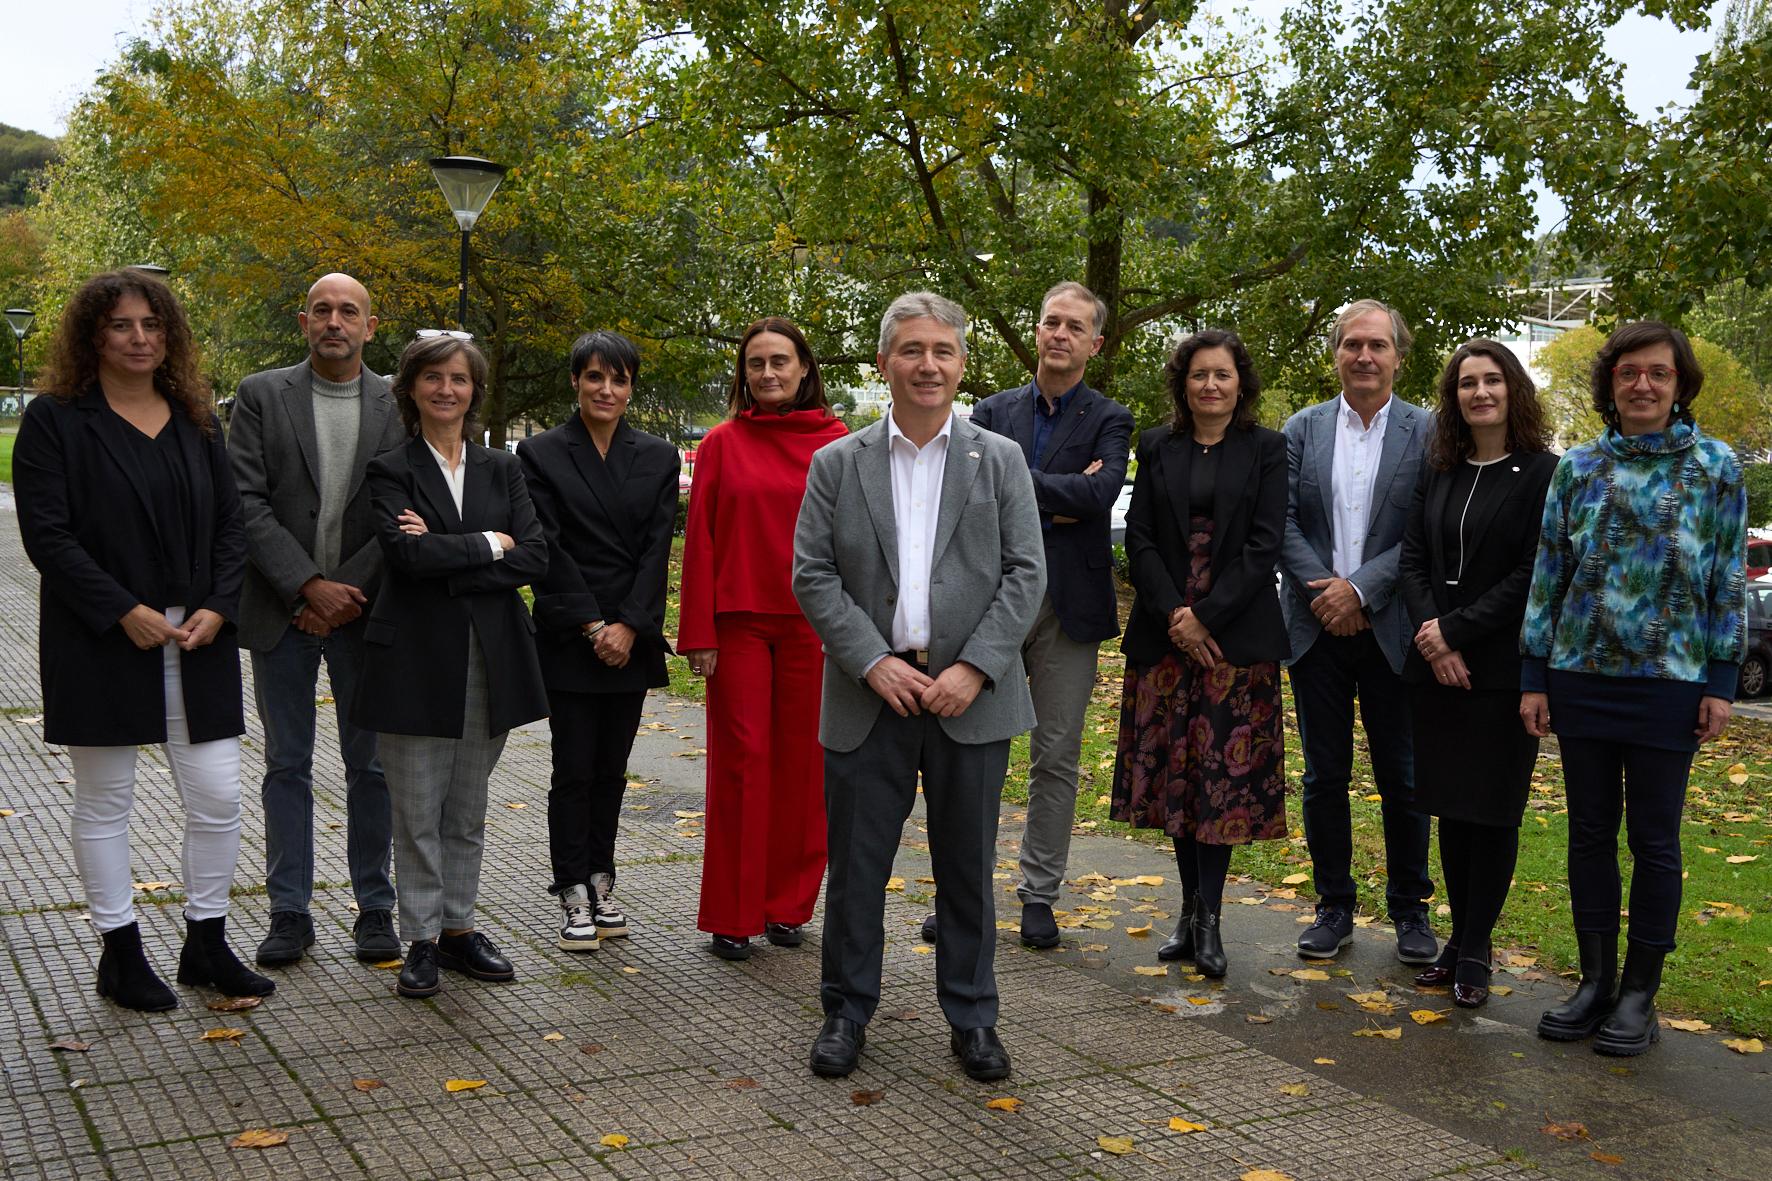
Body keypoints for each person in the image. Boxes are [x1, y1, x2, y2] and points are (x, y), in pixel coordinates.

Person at [792, 292, 1045, 1082]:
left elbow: (1026, 572)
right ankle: (845, 1010)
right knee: (858, 866)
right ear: (883, 363)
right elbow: (813, 573)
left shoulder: (998, 458)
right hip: (872, 694)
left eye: (942, 349)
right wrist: (872, 659)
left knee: (967, 866)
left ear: (962, 362)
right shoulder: (838, 462)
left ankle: (972, 1017)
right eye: (911, 349)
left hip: (973, 698)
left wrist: (974, 666)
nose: (927, 363)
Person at [14, 269, 272, 1010]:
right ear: (93, 333)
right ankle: (120, 951)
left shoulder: (195, 416)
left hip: (198, 637)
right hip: (101, 636)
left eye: (152, 325)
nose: (138, 338)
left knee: (220, 794)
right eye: (122, 324)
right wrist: (122, 607)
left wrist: (221, 606)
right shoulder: (57, 420)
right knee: (106, 800)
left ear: (170, 337)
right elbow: (48, 536)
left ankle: (206, 941)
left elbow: (231, 523)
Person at [1522, 321, 1743, 1056]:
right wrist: (1534, 675)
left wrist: (1720, 680)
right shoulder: (1578, 469)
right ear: (1609, 385)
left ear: (1680, 385)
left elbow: (1726, 581)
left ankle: (1641, 994)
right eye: (1628, 374)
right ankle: (1595, 981)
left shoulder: (1716, 468)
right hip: (1580, 678)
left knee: (1653, 840)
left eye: (1658, 373)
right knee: (1588, 835)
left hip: (1669, 684)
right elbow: (1549, 575)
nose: (1642, 385)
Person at [352, 334, 550, 999]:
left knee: (466, 806)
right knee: (415, 807)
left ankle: (460, 928)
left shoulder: (503, 468)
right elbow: (405, 561)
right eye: (432, 377)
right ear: (411, 388)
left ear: (474, 390)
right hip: (411, 658)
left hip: (489, 658)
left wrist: (449, 551)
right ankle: (422, 938)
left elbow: (535, 557)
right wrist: (489, 545)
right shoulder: (391, 469)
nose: (445, 389)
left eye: (458, 378)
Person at [228, 272, 406, 968]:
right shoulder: (261, 395)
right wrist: (306, 586)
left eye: (349, 311)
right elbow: (243, 502)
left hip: (365, 613)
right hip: (280, 611)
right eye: (323, 310)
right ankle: (289, 912)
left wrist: (341, 592)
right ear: (303, 321)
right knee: (286, 764)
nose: (335, 321)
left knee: (372, 766)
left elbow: (402, 506)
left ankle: (376, 908)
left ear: (369, 325)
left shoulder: (398, 401)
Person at [953, 282, 1132, 950]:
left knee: (1055, 754)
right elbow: (974, 497)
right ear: (1036, 331)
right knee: (974, 753)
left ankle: (1038, 893)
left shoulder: (1112, 418)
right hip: (991, 600)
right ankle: (961, 892)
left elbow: (1102, 493)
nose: (1060, 333)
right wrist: (1062, 495)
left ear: (1095, 342)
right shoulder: (991, 411)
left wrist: (1020, 481)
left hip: (1070, 608)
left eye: (1074, 326)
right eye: (1050, 322)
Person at [1111, 329, 1287, 979]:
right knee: (1176, 783)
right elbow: (1143, 536)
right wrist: (1175, 617)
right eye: (1198, 376)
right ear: (1182, 385)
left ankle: (1210, 919)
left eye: (1222, 375)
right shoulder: (1157, 445)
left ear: (1240, 384)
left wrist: (1206, 617)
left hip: (1234, 644)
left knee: (1222, 785)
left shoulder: (1267, 449)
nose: (1210, 385)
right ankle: (1186, 915)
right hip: (1165, 639)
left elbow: (1264, 545)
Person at [680, 318, 848, 960]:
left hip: (817, 624)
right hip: (740, 622)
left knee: (806, 770)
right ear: (743, 375)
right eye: (756, 364)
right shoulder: (723, 442)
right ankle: (733, 911)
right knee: (743, 764)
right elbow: (703, 538)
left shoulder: (839, 443)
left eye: (781, 362)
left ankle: (787, 906)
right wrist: (699, 632)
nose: (769, 373)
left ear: (804, 368)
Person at [1398, 341, 1556, 1008]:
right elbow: (1411, 558)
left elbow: (1533, 572)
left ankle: (1477, 947)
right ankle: (1456, 942)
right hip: (1436, 672)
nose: (1480, 392)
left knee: (1491, 815)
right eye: (1467, 383)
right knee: (1451, 814)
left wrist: (1456, 630)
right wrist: (1435, 637)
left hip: (1498, 672)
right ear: (1453, 396)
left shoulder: (1543, 472)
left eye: (1493, 380)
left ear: (1512, 390)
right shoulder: (1439, 468)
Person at [1279, 299, 1437, 964]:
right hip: (1315, 629)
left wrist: (1361, 591)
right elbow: (1279, 519)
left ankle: (1410, 910)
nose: (1364, 356)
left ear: (1399, 356)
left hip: (1393, 630)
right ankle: (1333, 905)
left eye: (1377, 345)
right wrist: (1326, 592)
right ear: (1336, 354)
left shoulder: (1429, 432)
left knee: (1404, 778)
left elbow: (1422, 529)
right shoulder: (1302, 428)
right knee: (1323, 775)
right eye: (1352, 345)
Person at [519, 331, 679, 952]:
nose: (606, 389)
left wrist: (631, 624)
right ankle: (571, 891)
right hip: (571, 634)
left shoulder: (659, 456)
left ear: (631, 387)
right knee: (573, 769)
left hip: (631, 635)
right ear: (575, 383)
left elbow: (656, 549)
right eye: (594, 377)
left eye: (618, 379)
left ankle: (603, 880)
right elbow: (547, 546)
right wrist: (592, 624)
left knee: (613, 771)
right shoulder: (539, 453)